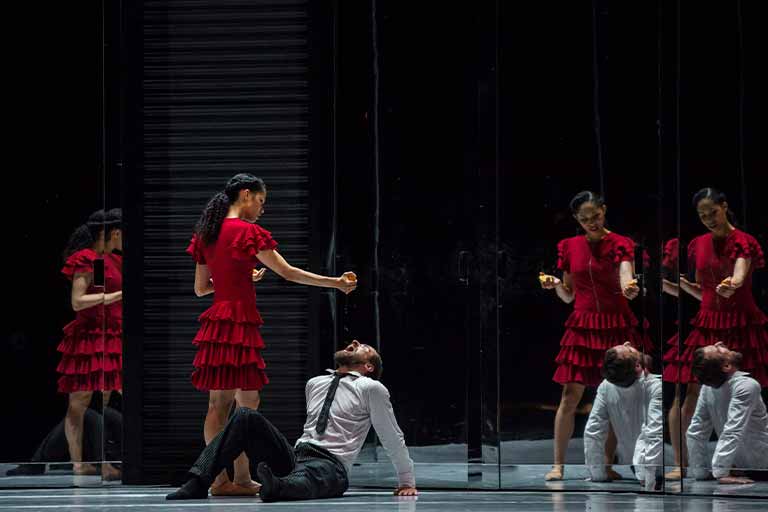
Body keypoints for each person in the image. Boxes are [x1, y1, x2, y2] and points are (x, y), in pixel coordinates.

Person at [186, 173, 357, 494]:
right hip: (237, 322)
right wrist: (335, 283)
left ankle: (237, 478)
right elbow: (288, 272)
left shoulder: (207, 233)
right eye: (261, 202)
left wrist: (240, 276)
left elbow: (200, 289)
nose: (262, 209)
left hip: (219, 321)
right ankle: (221, 481)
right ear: (246, 195)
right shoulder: (248, 233)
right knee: (226, 406)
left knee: (242, 401)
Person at [167, 340, 417, 502]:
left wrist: (406, 481)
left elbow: (391, 434)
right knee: (245, 415)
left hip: (331, 465)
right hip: (296, 456)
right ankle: (198, 481)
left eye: (363, 347)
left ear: (368, 366)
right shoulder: (315, 383)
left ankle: (279, 487)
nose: (353, 343)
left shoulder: (371, 388)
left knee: (313, 474)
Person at [539, 190, 650, 481]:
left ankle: (606, 464)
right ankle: (558, 465)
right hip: (583, 326)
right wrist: (555, 286)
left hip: (616, 325)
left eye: (596, 216)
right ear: (577, 218)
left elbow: (627, 277)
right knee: (570, 394)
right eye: (584, 218)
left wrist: (629, 288)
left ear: (604, 210)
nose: (591, 222)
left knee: (615, 396)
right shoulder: (570, 246)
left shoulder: (621, 243)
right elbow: (568, 295)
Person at [663, 188, 768, 478]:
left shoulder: (743, 241)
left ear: (724, 206)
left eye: (713, 211)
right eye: (702, 214)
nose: (708, 218)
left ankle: (746, 460)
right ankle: (681, 463)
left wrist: (732, 284)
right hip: (707, 322)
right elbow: (703, 291)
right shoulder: (698, 244)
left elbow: (739, 274)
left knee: (748, 393)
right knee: (690, 392)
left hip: (741, 322)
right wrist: (677, 285)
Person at [56, 210, 123, 476]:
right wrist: (116, 295)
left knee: (106, 398)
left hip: (110, 334)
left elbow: (100, 291)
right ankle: (77, 463)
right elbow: (78, 301)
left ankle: (105, 462)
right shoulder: (87, 260)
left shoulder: (106, 261)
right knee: (79, 400)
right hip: (89, 337)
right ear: (114, 233)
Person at [583, 343, 662, 490]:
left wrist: (597, 474)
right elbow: (654, 434)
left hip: (639, 462)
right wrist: (648, 476)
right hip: (653, 464)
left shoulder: (606, 385)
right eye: (630, 349)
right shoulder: (654, 386)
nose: (628, 343)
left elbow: (593, 432)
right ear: (637, 366)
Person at [686, 342, 768, 484]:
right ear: (726, 366)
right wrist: (721, 472)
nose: (719, 343)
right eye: (718, 349)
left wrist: (699, 471)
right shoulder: (746, 385)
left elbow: (696, 431)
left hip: (747, 465)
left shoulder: (708, 388)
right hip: (762, 464)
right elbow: (732, 430)